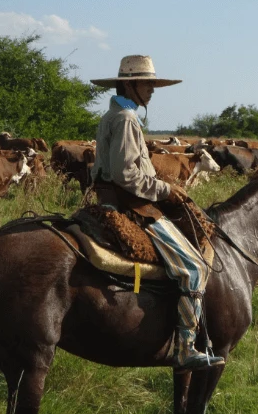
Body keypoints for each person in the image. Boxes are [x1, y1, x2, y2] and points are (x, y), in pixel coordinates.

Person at [90, 55, 224, 371]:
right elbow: (126, 174)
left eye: (153, 84)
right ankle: (185, 348)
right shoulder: (126, 119)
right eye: (147, 84)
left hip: (115, 198)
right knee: (194, 268)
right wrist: (166, 190)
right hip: (131, 205)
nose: (152, 90)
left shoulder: (115, 115)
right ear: (130, 85)